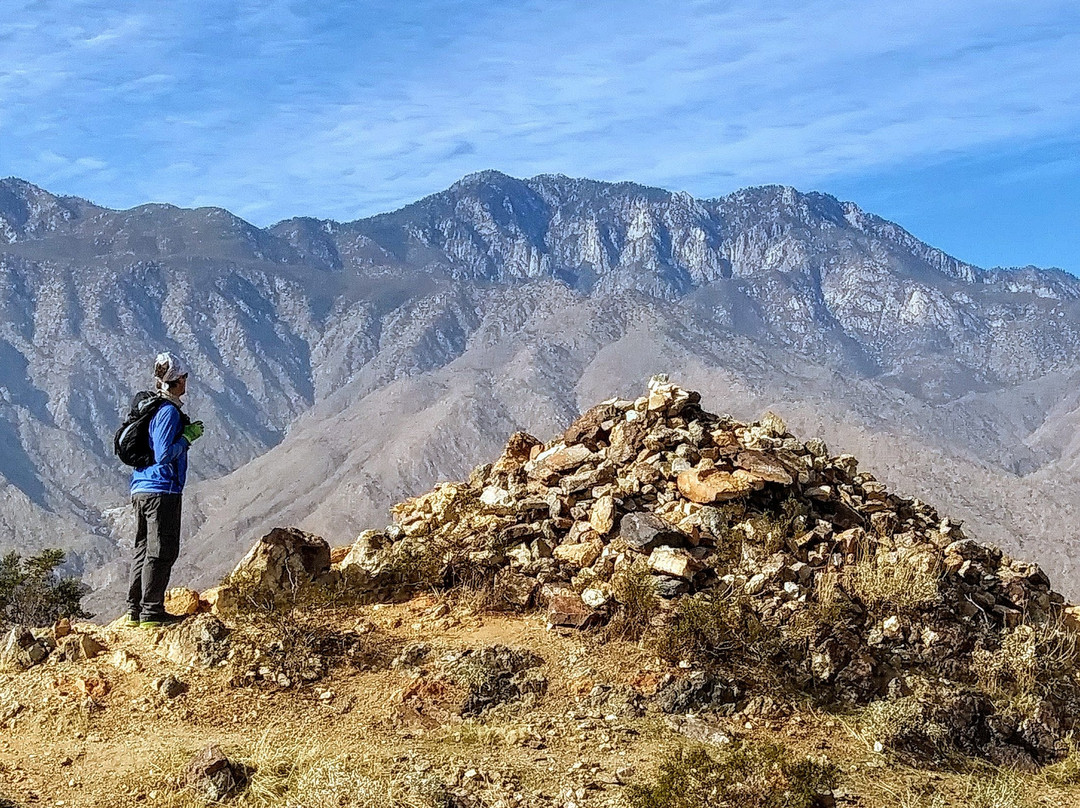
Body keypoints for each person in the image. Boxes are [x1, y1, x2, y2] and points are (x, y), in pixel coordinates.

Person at [125, 352, 204, 628]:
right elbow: (164, 454)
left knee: (143, 549)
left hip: (141, 487)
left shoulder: (152, 409)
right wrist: (186, 438)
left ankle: (134, 610)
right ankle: (151, 611)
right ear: (178, 380)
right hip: (162, 490)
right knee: (161, 550)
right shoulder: (168, 412)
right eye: (184, 377)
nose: (186, 381)